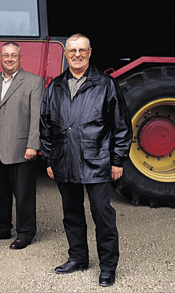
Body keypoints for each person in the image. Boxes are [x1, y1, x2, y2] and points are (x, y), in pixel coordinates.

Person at [40, 33, 132, 286]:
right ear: (66, 54)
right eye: (72, 51)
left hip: (97, 161)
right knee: (71, 213)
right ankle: (78, 258)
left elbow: (121, 127)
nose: (77, 55)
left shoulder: (106, 84)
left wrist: (117, 161)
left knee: (102, 215)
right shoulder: (55, 86)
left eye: (82, 50)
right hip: (64, 160)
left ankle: (108, 267)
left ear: (90, 52)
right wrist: (49, 160)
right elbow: (45, 126)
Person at [0, 42, 45, 249]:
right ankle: (1, 227)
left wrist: (33, 145)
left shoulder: (34, 82)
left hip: (22, 148)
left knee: (24, 194)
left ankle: (26, 232)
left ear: (20, 58)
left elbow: (37, 116)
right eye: (6, 55)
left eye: (13, 55)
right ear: (0, 58)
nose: (9, 59)